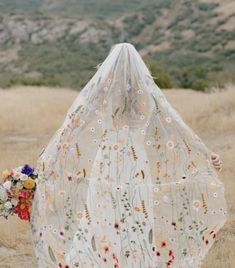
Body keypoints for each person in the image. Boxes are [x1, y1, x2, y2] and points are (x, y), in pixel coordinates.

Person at [30, 43, 227, 268]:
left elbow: (75, 122)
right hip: (136, 163)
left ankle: (101, 259)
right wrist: (205, 152)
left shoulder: (102, 92)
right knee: (134, 212)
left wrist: (51, 148)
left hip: (107, 159)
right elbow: (178, 125)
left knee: (103, 211)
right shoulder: (148, 93)